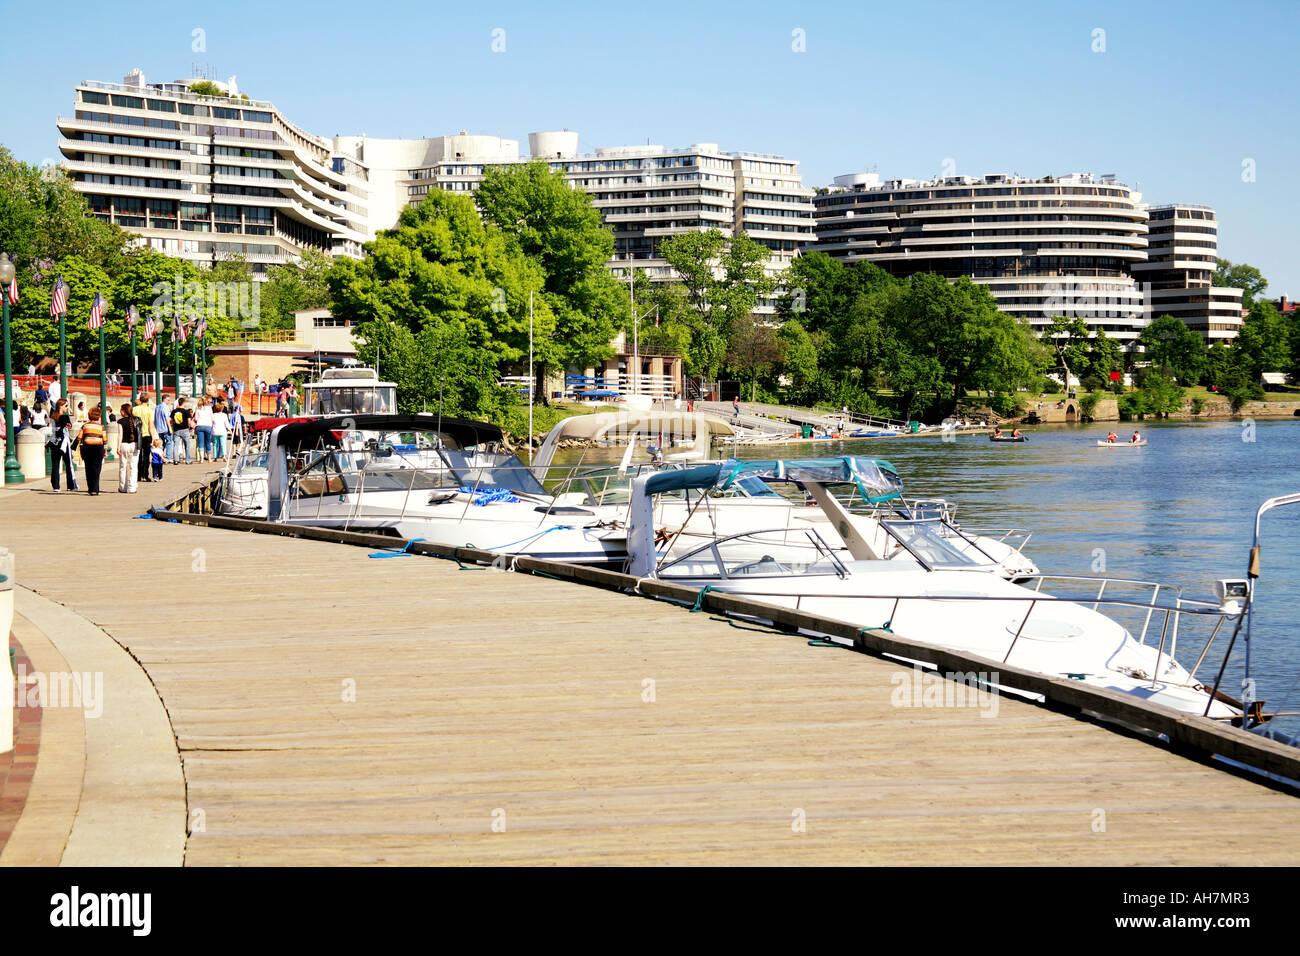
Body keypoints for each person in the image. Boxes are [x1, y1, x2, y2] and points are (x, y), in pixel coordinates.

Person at [79, 406, 107, 495]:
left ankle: (91, 488)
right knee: (97, 469)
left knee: (88, 468)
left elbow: (80, 438)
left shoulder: (84, 426)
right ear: (98, 416)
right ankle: (95, 489)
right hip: (98, 448)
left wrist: (80, 449)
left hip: (87, 448)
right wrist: (105, 450)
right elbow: (105, 440)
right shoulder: (101, 427)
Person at [48, 411, 77, 492]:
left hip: (55, 441)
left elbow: (51, 427)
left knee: (55, 464)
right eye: (66, 405)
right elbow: (69, 426)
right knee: (68, 463)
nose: (67, 408)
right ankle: (70, 485)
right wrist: (68, 425)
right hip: (64, 442)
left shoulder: (53, 415)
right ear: (61, 406)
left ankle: (56, 486)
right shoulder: (65, 416)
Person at [117, 402, 141, 494]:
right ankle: (132, 488)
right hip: (134, 445)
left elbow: (120, 435)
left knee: (123, 467)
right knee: (133, 467)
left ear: (123, 411)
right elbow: (139, 434)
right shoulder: (138, 420)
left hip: (124, 445)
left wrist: (118, 447)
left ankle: (123, 487)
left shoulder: (120, 421)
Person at [133, 392, 154, 483]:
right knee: (146, 456)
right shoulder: (149, 410)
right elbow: (151, 426)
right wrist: (153, 437)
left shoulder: (134, 409)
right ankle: (145, 475)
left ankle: (137, 475)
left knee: (137, 455)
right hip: (146, 434)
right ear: (148, 400)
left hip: (136, 435)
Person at [171, 398, 193, 464]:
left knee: (176, 445)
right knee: (187, 445)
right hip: (185, 429)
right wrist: (188, 428)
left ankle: (176, 460)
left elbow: (171, 420)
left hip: (176, 430)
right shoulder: (186, 411)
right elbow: (189, 421)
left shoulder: (174, 411)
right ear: (184, 403)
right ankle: (188, 460)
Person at [194, 396, 214, 462]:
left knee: (201, 443)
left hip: (199, 426)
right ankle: (209, 458)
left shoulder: (198, 408)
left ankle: (201, 459)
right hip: (208, 426)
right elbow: (212, 418)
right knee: (208, 442)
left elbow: (196, 418)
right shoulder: (210, 408)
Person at [155, 394, 174, 464]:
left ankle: (161, 456)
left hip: (159, 428)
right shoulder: (165, 407)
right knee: (169, 442)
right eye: (168, 400)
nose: (169, 402)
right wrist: (170, 428)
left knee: (161, 443)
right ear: (164, 400)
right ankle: (168, 457)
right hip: (165, 427)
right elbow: (167, 418)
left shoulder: (157, 407)